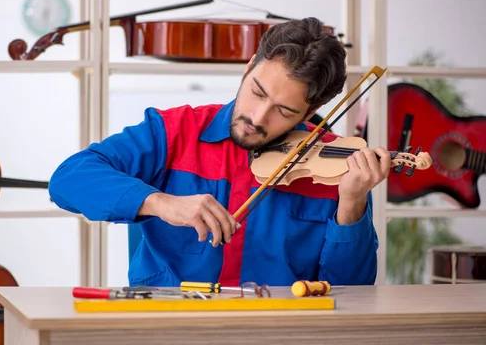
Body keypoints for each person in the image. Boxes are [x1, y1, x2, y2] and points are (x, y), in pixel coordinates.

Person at [48, 17, 390, 288]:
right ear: (249, 67)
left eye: (283, 111)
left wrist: (351, 204)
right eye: (257, 92)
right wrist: (161, 203)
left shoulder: (335, 166)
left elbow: (352, 290)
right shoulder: (175, 131)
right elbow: (68, 179)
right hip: (172, 327)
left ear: (309, 111)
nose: (257, 118)